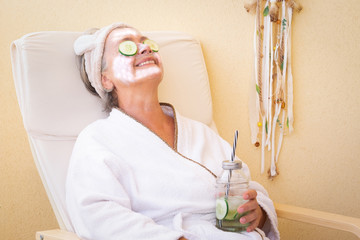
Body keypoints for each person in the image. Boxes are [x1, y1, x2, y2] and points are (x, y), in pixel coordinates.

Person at [66, 22, 280, 240]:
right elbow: (99, 216)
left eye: (146, 43)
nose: (146, 48)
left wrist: (258, 213)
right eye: (126, 46)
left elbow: (245, 184)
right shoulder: (97, 139)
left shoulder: (199, 132)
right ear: (105, 79)